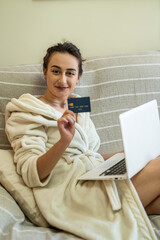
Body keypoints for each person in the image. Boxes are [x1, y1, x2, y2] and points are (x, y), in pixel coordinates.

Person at [5, 42, 160, 240]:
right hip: (72, 194)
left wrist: (126, 155)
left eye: (70, 73)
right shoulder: (27, 112)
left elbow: (90, 154)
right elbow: (32, 174)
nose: (62, 80)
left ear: (78, 78)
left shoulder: (78, 105)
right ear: (45, 72)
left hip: (95, 177)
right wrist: (63, 142)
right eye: (55, 71)